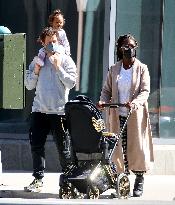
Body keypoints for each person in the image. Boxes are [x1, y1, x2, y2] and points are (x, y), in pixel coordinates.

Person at [98, 34, 154, 197]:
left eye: (131, 46)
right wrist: (102, 101)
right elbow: (106, 90)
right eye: (125, 46)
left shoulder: (142, 68)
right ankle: (121, 184)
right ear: (120, 49)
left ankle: (139, 181)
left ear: (135, 48)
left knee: (136, 149)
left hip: (135, 115)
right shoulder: (114, 69)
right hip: (117, 115)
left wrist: (135, 102)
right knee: (118, 151)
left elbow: (145, 91)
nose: (129, 49)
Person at [24, 27, 77, 192]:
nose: (52, 45)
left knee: (63, 147)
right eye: (49, 42)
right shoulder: (37, 60)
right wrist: (37, 71)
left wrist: (58, 68)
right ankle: (38, 179)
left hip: (59, 111)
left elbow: (72, 83)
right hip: (39, 110)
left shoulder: (66, 60)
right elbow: (28, 85)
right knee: (37, 146)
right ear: (43, 43)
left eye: (54, 41)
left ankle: (68, 180)